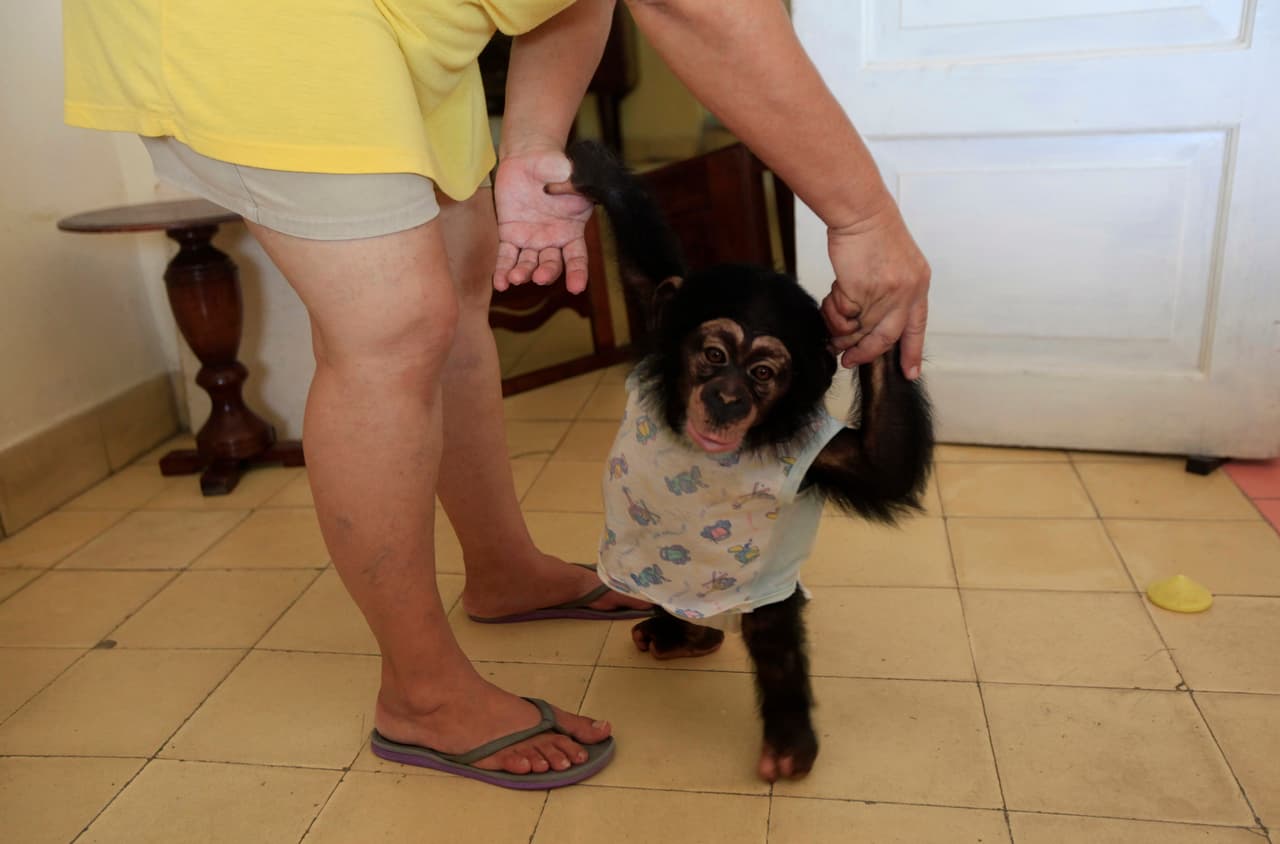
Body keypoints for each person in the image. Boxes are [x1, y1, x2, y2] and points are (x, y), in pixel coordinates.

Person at [62, 0, 929, 787]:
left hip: (406, 34)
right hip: (274, 25)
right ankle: (420, 695)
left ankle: (502, 571)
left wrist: (531, 149)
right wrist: (861, 216)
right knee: (392, 330)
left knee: (459, 290)